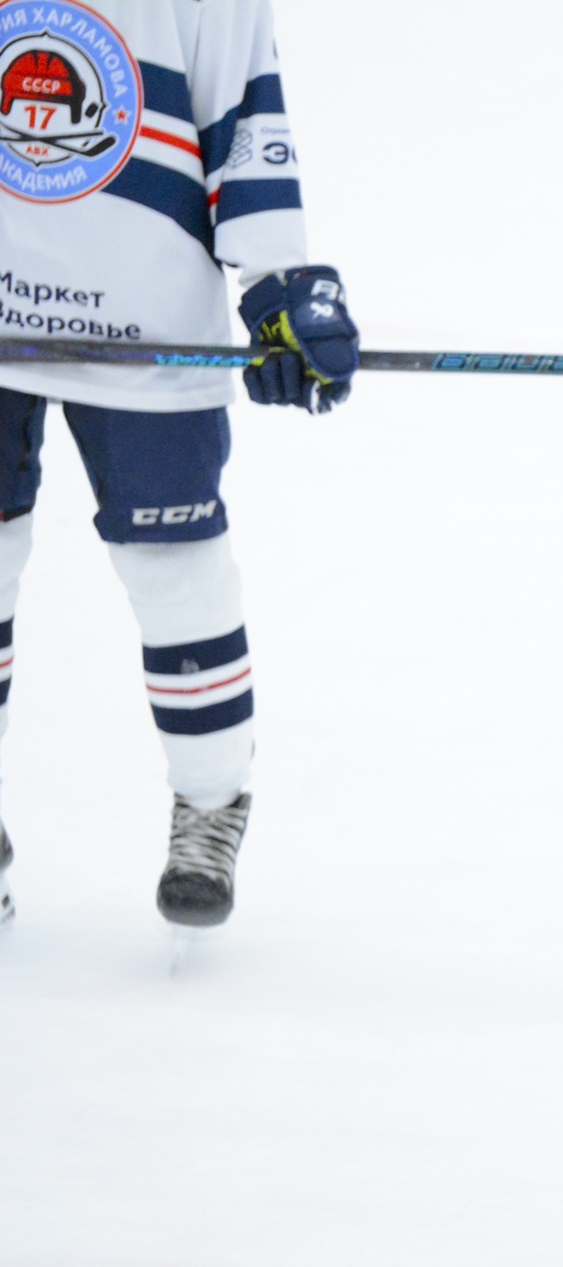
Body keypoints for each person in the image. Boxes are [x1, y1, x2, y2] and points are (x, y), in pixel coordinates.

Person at [0, 0, 358, 928]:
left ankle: (210, 800)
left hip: (148, 328)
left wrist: (278, 284)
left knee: (177, 575)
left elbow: (244, 127)